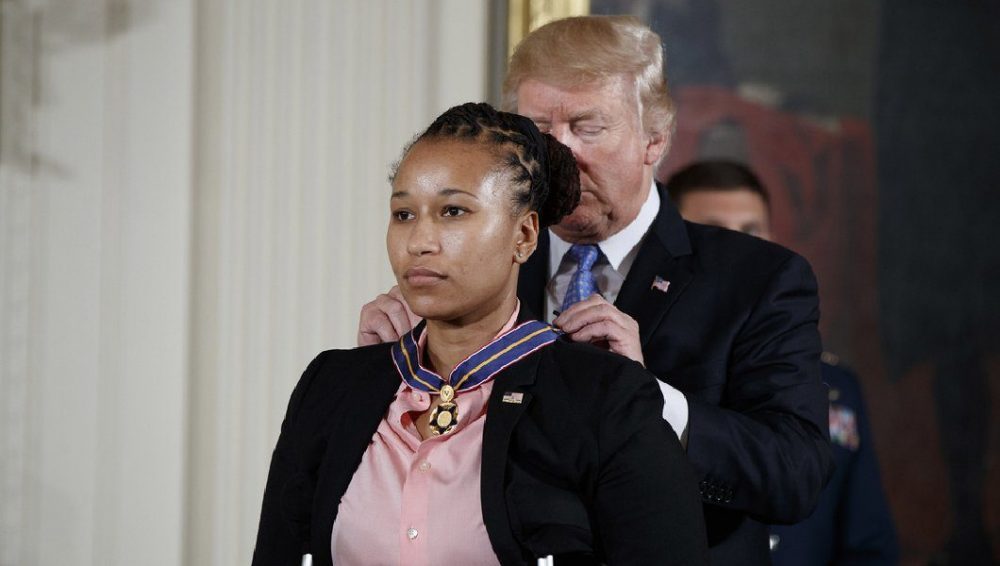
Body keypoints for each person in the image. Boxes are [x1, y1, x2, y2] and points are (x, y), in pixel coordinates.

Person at [357, 16, 832, 565]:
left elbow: (795, 476)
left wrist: (652, 401)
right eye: (538, 132)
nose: (557, 158)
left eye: (587, 127)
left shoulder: (759, 280)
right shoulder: (474, 273)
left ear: (656, 137)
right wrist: (381, 385)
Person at [253, 103, 709, 566]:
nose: (419, 241)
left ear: (525, 236)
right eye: (404, 214)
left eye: (453, 211)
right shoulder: (331, 384)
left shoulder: (606, 396)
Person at [666, 159, 899, 565]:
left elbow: (866, 541)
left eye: (752, 232)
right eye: (716, 232)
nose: (738, 250)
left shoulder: (837, 388)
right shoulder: (648, 376)